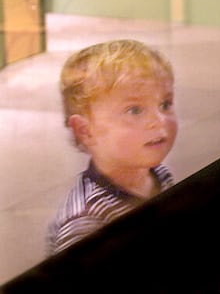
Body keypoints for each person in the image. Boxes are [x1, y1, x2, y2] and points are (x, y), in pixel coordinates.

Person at [46, 39, 178, 255]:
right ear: (85, 130)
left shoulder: (160, 175)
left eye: (165, 104)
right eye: (135, 110)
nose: (159, 120)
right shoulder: (84, 221)